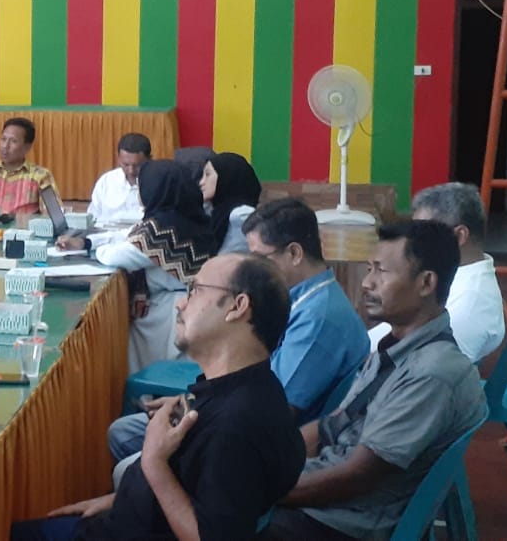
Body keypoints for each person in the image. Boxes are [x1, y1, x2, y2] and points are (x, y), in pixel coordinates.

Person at [11, 254, 306, 541]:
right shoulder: (252, 389)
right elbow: (198, 491)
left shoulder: (235, 425)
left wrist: (154, 461)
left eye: (195, 290)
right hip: (125, 517)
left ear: (237, 306)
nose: (181, 303)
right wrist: (117, 500)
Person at [106, 198, 371, 480]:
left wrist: (194, 414)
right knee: (123, 432)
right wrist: (190, 402)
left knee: (127, 463)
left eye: (259, 259)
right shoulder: (304, 299)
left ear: (294, 253)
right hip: (234, 412)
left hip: (253, 443)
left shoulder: (319, 319)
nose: (252, 269)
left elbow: (271, 410)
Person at [262, 220, 486, 541]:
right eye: (369, 269)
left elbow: (356, 476)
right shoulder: (394, 348)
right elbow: (331, 427)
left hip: (344, 522)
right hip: (325, 496)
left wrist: (259, 491)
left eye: (381, 271)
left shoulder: (432, 374)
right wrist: (262, 458)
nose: (367, 283)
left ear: (426, 283)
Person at [61, 160, 215, 373]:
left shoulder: (161, 231)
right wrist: (86, 242)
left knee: (126, 346)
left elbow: (116, 255)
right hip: (188, 306)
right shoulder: (183, 217)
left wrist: (97, 249)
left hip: (172, 314)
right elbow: (129, 235)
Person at [366, 182, 506, 363]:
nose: (413, 243)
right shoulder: (457, 275)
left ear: (459, 236)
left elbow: (421, 368)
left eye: (424, 235)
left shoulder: (468, 306)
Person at [0, 117, 58, 217]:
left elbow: (52, 215)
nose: (5, 146)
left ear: (27, 147)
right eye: (3, 139)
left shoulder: (41, 176)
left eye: (13, 141)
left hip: (26, 227)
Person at [201, 152, 263, 254]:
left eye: (207, 174)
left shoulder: (240, 215)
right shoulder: (215, 212)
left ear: (225, 177)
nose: (202, 182)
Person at [88, 133, 150, 226]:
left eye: (137, 165)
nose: (131, 171)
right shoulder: (106, 181)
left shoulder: (158, 183)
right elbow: (92, 217)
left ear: (149, 159)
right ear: (118, 159)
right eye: (126, 165)